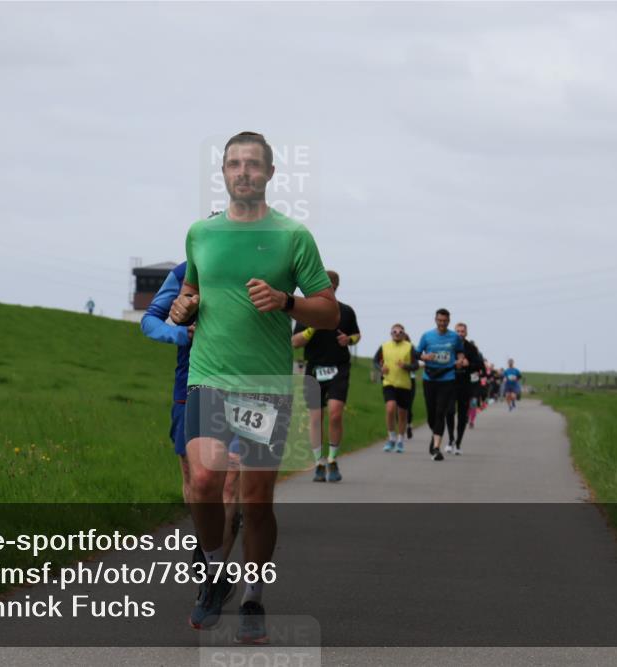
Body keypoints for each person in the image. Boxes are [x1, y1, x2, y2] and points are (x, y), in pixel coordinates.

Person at [170, 131, 339, 642]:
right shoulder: (200, 233)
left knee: (256, 499)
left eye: (253, 164)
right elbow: (191, 289)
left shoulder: (293, 236)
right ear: (222, 173)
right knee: (202, 483)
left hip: (262, 385)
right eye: (233, 164)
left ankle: (253, 597)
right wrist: (183, 307)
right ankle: (216, 573)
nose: (243, 172)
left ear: (270, 174)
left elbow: (328, 312)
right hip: (208, 376)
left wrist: (287, 302)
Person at [140, 262, 243, 563]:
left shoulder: (255, 267)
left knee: (229, 478)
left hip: (242, 385)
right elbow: (149, 321)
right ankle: (207, 539)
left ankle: (215, 569)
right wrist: (183, 334)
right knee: (195, 478)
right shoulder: (183, 273)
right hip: (190, 386)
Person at [292, 270, 360, 482]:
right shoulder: (307, 311)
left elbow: (357, 334)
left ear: (336, 286)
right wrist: (313, 327)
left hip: (339, 367)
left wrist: (348, 340)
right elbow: (294, 342)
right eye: (326, 283)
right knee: (315, 419)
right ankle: (318, 462)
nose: (329, 287)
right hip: (314, 369)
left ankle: (332, 459)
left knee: (335, 413)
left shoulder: (346, 311)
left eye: (332, 284)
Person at [415, 308, 465, 461]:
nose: (442, 323)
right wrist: (424, 356)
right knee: (431, 414)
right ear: (435, 320)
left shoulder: (454, 337)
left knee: (440, 412)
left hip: (447, 378)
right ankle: (435, 435)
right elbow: (416, 353)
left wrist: (460, 360)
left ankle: (436, 448)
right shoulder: (427, 336)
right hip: (430, 378)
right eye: (440, 320)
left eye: (445, 321)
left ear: (448, 321)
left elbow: (460, 351)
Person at [373, 324, 418, 453]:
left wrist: (406, 366)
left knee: (403, 414)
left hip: (404, 384)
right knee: (390, 408)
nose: (397, 333)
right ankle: (391, 437)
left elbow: (415, 365)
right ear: (391, 333)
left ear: (404, 334)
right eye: (394, 331)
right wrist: (380, 368)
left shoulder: (409, 347)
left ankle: (400, 440)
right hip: (389, 383)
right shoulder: (384, 346)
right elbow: (375, 361)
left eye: (400, 332)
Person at [444, 323, 484, 455]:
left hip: (465, 385)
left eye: (462, 331)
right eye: (458, 331)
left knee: (462, 416)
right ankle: (450, 439)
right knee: (449, 411)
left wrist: (469, 364)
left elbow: (480, 365)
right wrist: (453, 364)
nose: (460, 333)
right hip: (450, 383)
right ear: (454, 333)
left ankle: (458, 444)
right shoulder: (449, 345)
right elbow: (442, 362)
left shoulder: (471, 348)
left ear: (466, 333)